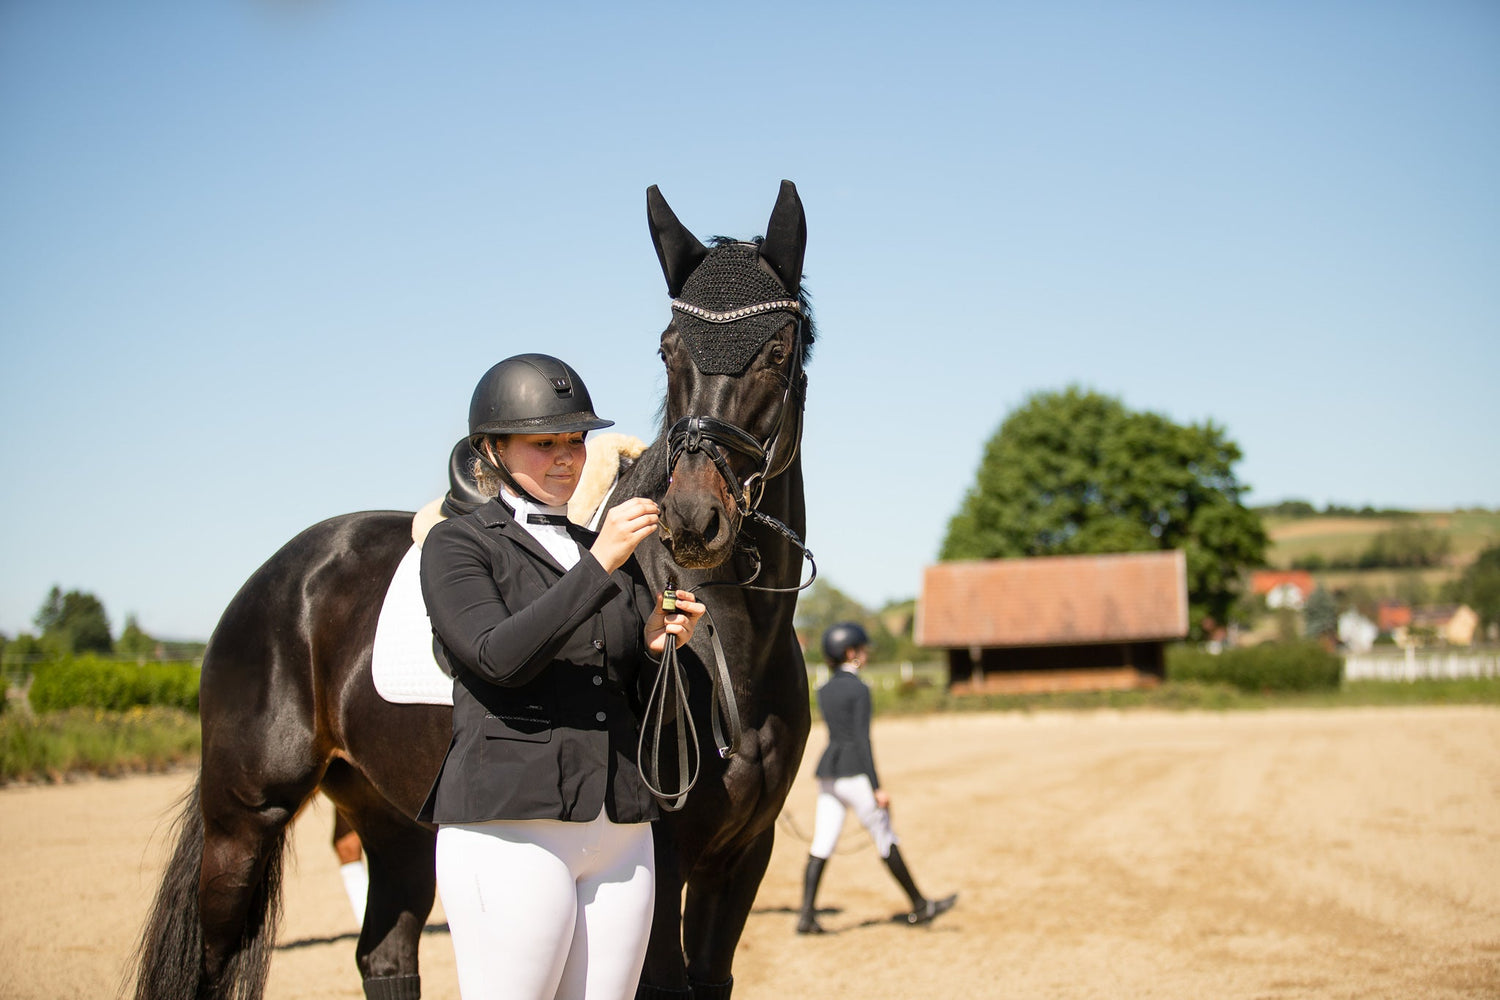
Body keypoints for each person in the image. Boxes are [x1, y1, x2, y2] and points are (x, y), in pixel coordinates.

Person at [418, 353, 705, 1000]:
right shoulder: (459, 545)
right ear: (491, 449)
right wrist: (601, 562)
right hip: (511, 823)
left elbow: (619, 675)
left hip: (621, 825)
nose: (566, 457)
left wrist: (659, 645)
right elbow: (497, 656)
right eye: (542, 443)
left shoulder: (594, 549)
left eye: (574, 441)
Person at [795, 622, 957, 934]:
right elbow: (862, 740)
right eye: (863, 650)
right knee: (885, 838)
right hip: (855, 773)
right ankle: (921, 906)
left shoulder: (824, 690)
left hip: (829, 772)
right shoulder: (860, 689)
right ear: (850, 653)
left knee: (822, 842)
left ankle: (805, 915)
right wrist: (877, 786)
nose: (866, 654)